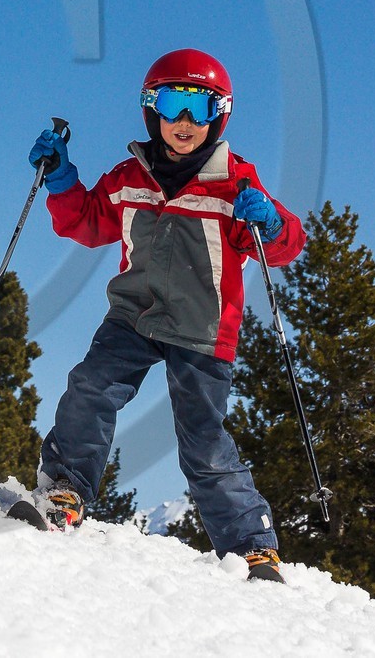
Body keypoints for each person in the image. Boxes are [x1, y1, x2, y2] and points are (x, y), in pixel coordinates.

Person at [22, 48, 305, 583]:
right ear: (152, 110)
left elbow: (286, 245)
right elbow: (87, 223)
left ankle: (250, 545)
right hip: (134, 314)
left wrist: (268, 222)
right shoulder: (130, 176)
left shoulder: (235, 183)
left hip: (202, 327)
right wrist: (60, 179)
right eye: (174, 104)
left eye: (201, 108)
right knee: (90, 387)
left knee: (202, 437)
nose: (185, 121)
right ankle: (65, 489)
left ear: (219, 116)